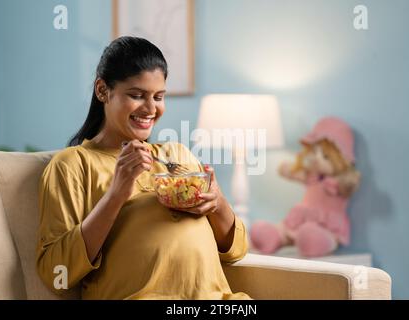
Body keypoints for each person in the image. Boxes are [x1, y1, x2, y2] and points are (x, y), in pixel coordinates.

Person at [36, 36, 250, 300]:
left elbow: (237, 250)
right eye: (137, 95)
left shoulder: (177, 154)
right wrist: (116, 195)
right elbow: (58, 275)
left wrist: (217, 203)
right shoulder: (72, 165)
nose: (151, 109)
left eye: (158, 97)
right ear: (103, 90)